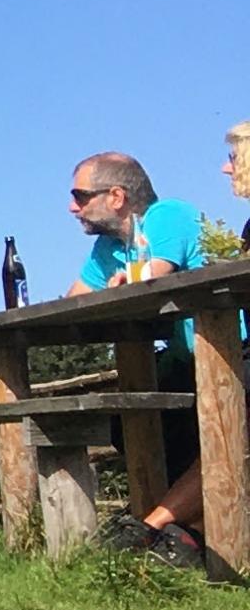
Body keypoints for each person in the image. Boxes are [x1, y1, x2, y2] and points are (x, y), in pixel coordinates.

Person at [74, 150, 220, 571]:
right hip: (186, 359)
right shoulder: (109, 246)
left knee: (222, 428)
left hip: (231, 349)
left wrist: (128, 279)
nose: (72, 207)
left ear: (116, 196)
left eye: (80, 196)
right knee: (131, 419)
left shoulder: (168, 215)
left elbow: (155, 273)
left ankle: (151, 528)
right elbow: (76, 300)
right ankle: (188, 532)